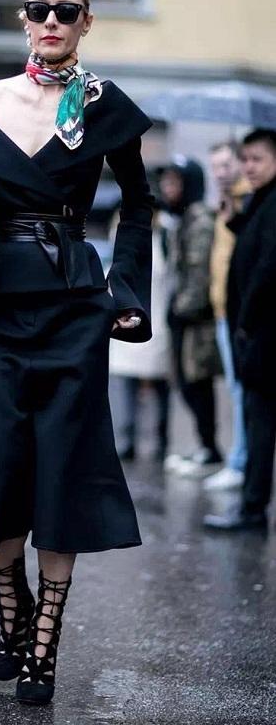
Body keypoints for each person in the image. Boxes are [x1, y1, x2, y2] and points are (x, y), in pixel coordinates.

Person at [0, 0, 153, 705]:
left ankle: (43, 644)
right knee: (0, 466)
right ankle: (11, 610)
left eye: (67, 10)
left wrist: (126, 292)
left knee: (62, 468)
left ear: (87, 23)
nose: (51, 21)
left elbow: (139, 206)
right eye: (39, 9)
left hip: (72, 304)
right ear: (23, 18)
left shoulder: (103, 106)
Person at [204, 129, 276, 531]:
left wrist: (246, 322)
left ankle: (252, 509)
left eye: (257, 159)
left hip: (263, 333)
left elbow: (267, 267)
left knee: (259, 420)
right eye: (245, 159)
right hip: (254, 330)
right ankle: (252, 505)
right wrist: (233, 215)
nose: (249, 166)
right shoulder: (261, 199)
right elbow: (251, 240)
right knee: (255, 418)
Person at [160, 158, 223, 477]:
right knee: (188, 383)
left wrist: (181, 309)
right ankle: (206, 446)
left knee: (196, 383)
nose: (167, 189)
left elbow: (198, 274)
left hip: (197, 321)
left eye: (174, 183)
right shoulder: (180, 218)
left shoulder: (199, 220)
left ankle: (209, 448)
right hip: (185, 316)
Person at [203, 142, 251, 491]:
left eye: (225, 164)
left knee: (241, 390)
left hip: (240, 313)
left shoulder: (248, 199)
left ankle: (240, 462)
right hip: (223, 311)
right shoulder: (226, 202)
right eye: (215, 166)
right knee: (236, 389)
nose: (220, 172)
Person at [109, 207, 171, 462]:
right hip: (128, 320)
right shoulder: (117, 236)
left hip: (158, 320)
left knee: (159, 384)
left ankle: (162, 440)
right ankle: (127, 440)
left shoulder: (165, 236)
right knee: (125, 384)